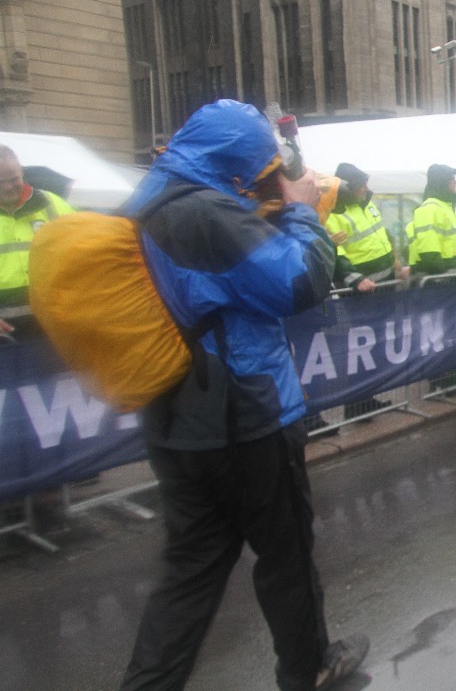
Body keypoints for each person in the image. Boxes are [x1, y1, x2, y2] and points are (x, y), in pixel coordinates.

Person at [118, 100, 367, 691]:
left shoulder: (151, 196)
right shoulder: (206, 212)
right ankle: (308, 667)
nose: (260, 178)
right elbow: (298, 280)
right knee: (286, 553)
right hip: (245, 415)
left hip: (175, 414)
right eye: (257, 167)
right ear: (237, 160)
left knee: (190, 573)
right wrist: (301, 209)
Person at [0, 145, 74, 331]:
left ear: (22, 172)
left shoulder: (52, 204)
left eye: (13, 179)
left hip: (53, 325)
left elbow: (82, 253)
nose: (8, 187)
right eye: (0, 182)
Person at [325, 162, 398, 293]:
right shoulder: (333, 214)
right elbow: (336, 254)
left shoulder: (367, 204)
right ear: (347, 189)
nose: (366, 188)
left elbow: (382, 234)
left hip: (388, 281)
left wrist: (395, 260)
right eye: (361, 185)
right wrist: (355, 279)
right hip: (362, 288)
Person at [409, 164, 456, 277]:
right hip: (447, 281)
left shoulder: (446, 207)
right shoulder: (430, 209)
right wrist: (449, 274)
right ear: (444, 182)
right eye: (453, 179)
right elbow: (430, 257)